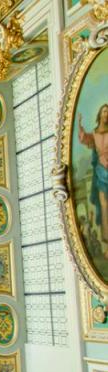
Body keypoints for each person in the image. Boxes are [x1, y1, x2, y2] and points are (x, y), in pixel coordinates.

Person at [79, 104, 108, 257]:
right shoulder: (95, 134)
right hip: (101, 172)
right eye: (104, 111)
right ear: (100, 115)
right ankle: (106, 245)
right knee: (104, 207)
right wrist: (79, 126)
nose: (106, 114)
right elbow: (84, 139)